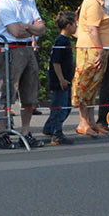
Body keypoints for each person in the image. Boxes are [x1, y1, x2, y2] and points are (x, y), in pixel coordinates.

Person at [0, 0, 47, 146]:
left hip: (28, 50)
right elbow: (15, 32)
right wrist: (30, 27)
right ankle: (3, 133)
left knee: (30, 95)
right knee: (8, 93)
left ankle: (26, 132)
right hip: (11, 50)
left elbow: (42, 28)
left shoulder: (28, 2)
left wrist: (26, 27)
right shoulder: (5, 4)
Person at [74, 0, 109, 137]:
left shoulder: (94, 1)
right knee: (86, 85)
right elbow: (92, 30)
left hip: (93, 50)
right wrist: (100, 50)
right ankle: (83, 122)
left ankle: (91, 121)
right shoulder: (93, 3)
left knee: (92, 87)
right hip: (91, 50)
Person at [42, 9, 77, 146]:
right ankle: (56, 133)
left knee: (65, 106)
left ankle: (49, 128)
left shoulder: (66, 40)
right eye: (74, 24)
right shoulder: (61, 41)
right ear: (68, 25)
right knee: (60, 107)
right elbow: (56, 62)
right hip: (60, 82)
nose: (76, 27)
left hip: (66, 80)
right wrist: (61, 79)